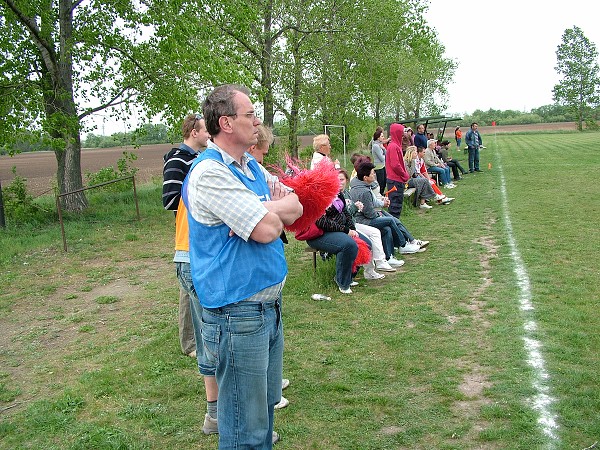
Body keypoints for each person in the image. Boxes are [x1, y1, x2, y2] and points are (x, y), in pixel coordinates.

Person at [183, 84, 303, 448]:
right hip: (238, 314)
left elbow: (297, 207)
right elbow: (268, 230)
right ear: (226, 123)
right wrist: (268, 211)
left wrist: (256, 209)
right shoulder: (209, 172)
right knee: (244, 429)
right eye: (250, 114)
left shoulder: (248, 164)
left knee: (262, 414)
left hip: (268, 308)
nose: (257, 121)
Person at [162, 115, 221, 435]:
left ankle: (214, 415)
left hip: (193, 254)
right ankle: (220, 415)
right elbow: (171, 199)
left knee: (206, 333)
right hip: (196, 254)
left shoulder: (202, 161)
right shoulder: (190, 161)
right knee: (215, 338)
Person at [162, 114, 211, 358]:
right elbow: (169, 200)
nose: (208, 135)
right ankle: (190, 343)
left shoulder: (198, 158)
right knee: (188, 291)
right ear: (194, 132)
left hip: (200, 232)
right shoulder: (177, 159)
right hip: (188, 232)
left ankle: (196, 341)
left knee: (192, 289)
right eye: (205, 131)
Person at [350, 161, 422, 259]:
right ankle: (403, 245)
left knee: (388, 227)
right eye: (372, 173)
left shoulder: (361, 185)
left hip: (366, 217)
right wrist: (379, 214)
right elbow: (369, 214)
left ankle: (390, 256)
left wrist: (382, 204)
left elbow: (372, 202)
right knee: (390, 220)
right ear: (365, 177)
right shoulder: (364, 191)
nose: (374, 175)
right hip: (363, 221)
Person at [339, 169, 396, 274]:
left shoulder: (347, 193)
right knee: (372, 235)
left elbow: (351, 211)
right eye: (337, 180)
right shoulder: (336, 195)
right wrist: (355, 207)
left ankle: (379, 263)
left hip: (353, 223)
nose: (339, 182)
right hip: (344, 227)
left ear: (346, 180)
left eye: (342, 179)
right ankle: (374, 266)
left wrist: (355, 207)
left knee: (377, 231)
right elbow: (342, 213)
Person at [385, 123, 410, 218]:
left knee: (397, 206)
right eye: (402, 132)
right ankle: (394, 229)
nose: (403, 135)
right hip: (395, 181)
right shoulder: (393, 146)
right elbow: (395, 165)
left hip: (397, 180)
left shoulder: (396, 146)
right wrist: (404, 175)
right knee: (395, 207)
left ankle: (396, 227)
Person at [371, 129, 387, 195]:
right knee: (380, 182)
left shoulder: (380, 145)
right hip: (378, 167)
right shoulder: (375, 146)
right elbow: (382, 158)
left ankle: (382, 194)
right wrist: (384, 153)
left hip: (383, 166)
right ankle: (379, 195)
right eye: (382, 136)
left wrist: (383, 149)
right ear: (378, 137)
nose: (383, 138)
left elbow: (386, 154)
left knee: (384, 182)